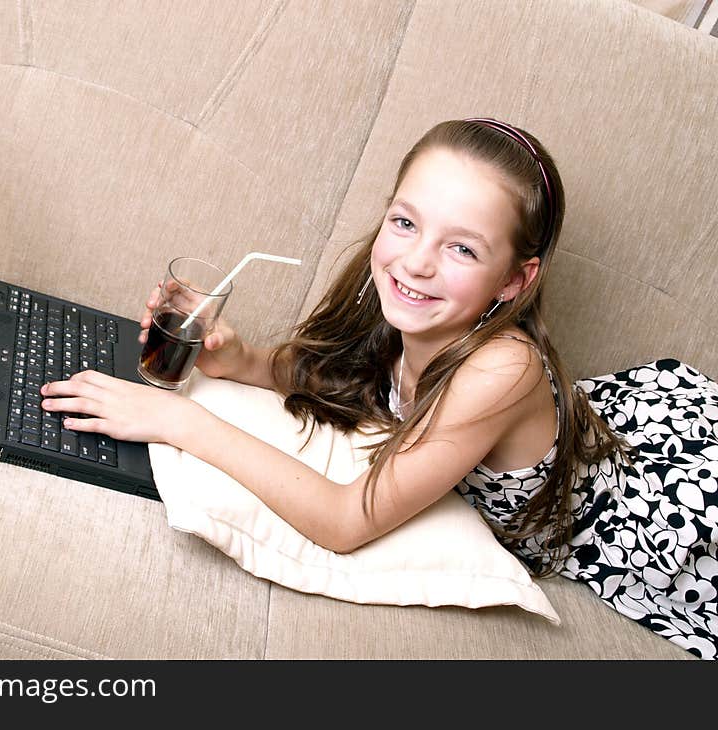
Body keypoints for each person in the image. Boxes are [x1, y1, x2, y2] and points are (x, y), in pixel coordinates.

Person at [39, 118, 718, 659]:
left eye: (463, 249)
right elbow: (343, 381)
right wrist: (240, 359)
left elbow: (345, 522)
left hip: (656, 515)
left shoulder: (500, 369)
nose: (416, 260)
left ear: (514, 281)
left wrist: (174, 420)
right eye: (405, 222)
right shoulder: (403, 302)